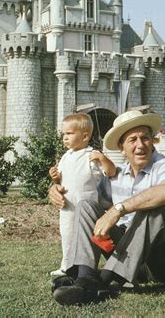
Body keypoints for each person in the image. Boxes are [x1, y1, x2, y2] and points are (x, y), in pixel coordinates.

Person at [49, 110, 165, 305]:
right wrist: (56, 190)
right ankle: (86, 275)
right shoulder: (116, 177)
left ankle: (103, 280)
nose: (140, 145)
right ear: (122, 148)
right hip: (136, 261)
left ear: (152, 142)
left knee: (153, 209)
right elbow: (88, 201)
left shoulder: (163, 165)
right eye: (132, 140)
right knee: (85, 205)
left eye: (145, 138)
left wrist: (118, 209)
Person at [48, 113, 116, 277]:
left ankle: (91, 265)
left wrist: (103, 158)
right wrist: (56, 178)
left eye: (69, 134)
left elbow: (111, 172)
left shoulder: (91, 155)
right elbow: (62, 181)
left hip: (86, 207)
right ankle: (66, 265)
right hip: (67, 206)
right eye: (63, 134)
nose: (65, 138)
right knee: (67, 235)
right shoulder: (65, 157)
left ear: (85, 136)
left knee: (89, 238)